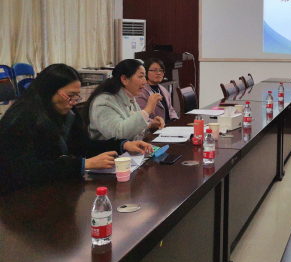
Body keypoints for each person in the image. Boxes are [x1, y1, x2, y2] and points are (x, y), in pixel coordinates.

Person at [0, 64, 152, 195]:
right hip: (21, 197)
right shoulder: (22, 119)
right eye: (70, 96)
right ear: (49, 91)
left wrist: (122, 145)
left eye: (76, 96)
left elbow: (82, 145)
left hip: (56, 190)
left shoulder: (66, 113)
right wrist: (84, 164)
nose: (73, 102)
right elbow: (27, 171)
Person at [85, 59, 165, 141]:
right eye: (141, 77)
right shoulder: (103, 102)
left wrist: (149, 126)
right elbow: (117, 135)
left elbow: (132, 130)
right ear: (124, 79)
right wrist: (147, 111)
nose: (144, 81)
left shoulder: (131, 98)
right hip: (109, 149)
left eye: (145, 76)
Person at [137, 59, 178, 124]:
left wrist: (175, 120)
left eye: (160, 70)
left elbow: (171, 109)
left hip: (168, 126)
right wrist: (157, 123)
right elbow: (142, 116)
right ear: (145, 72)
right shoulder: (141, 92)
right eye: (154, 70)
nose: (158, 73)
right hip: (154, 127)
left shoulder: (163, 89)